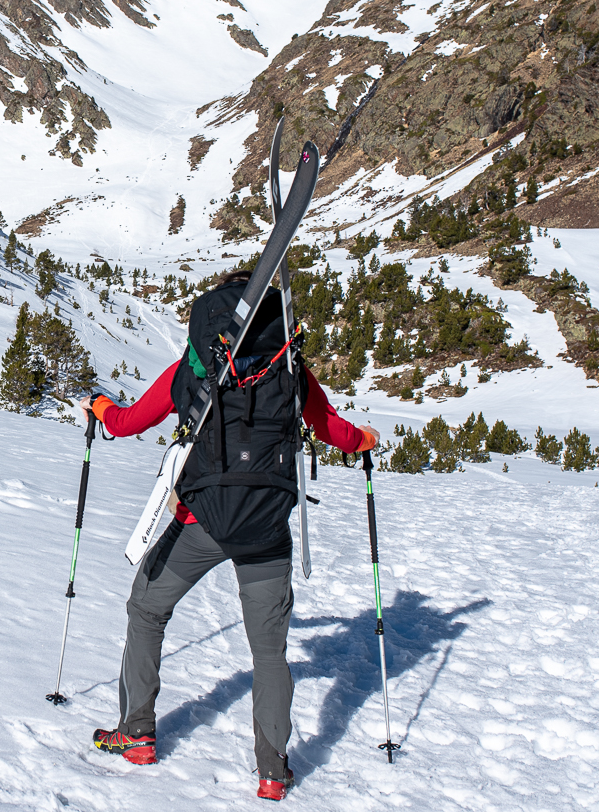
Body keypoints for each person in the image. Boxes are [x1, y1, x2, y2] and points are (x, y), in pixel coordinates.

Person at [79, 270, 378, 802]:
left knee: (147, 609)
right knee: (269, 653)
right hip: (266, 529)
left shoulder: (193, 367)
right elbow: (335, 432)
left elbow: (127, 424)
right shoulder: (290, 371)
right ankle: (272, 771)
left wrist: (100, 407)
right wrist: (366, 438)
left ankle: (138, 734)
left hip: (201, 522)